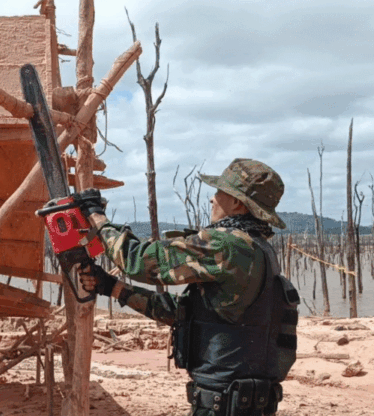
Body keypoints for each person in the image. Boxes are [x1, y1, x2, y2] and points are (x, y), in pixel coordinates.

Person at [77, 158, 299, 416]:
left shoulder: (225, 245)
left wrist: (97, 217)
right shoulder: (259, 249)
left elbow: (138, 261)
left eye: (219, 193)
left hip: (223, 403)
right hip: (248, 402)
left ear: (237, 203)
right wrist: (113, 287)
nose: (212, 199)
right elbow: (187, 315)